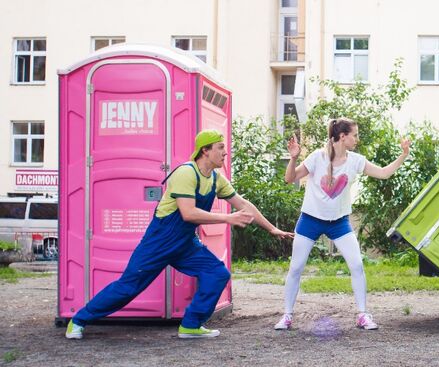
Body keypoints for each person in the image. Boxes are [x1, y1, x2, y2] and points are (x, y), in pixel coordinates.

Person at [66, 129, 293, 339]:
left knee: (217, 274)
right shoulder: (186, 173)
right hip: (160, 241)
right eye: (220, 147)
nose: (225, 152)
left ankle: (191, 325)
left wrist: (272, 229)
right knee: (128, 287)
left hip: (185, 243)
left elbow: (244, 204)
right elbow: (188, 213)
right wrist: (227, 218)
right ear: (205, 150)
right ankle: (78, 320)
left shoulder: (215, 179)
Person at [274, 118, 411, 331]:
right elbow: (289, 178)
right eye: (354, 135)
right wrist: (293, 159)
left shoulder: (355, 160)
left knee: (356, 265)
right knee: (296, 267)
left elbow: (384, 173)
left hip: (339, 223)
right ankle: (287, 315)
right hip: (310, 220)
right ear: (342, 137)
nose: (357, 139)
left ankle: (362, 315)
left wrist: (403, 155)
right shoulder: (316, 158)